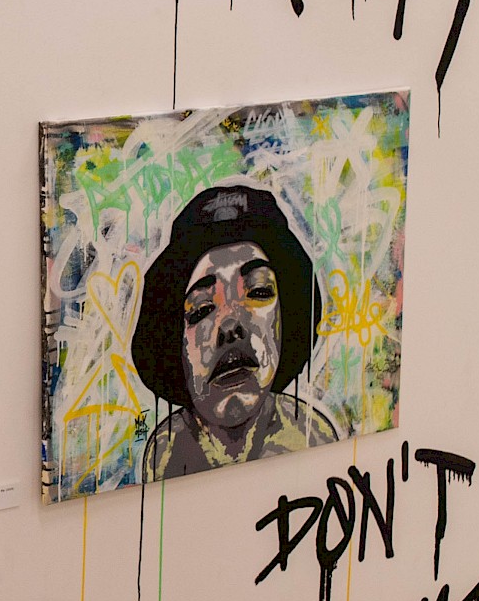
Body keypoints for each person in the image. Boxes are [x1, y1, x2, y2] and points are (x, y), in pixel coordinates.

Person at [131, 183, 337, 481]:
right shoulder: (165, 458)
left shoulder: (312, 437)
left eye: (259, 291)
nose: (230, 325)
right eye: (201, 309)